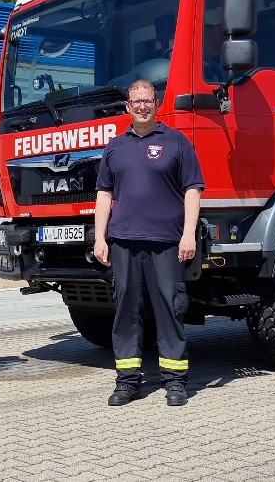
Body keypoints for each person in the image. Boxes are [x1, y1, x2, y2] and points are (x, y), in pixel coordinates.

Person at [94, 79, 204, 407]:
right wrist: (100, 237)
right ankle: (128, 382)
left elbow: (193, 190)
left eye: (147, 100)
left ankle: (174, 383)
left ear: (156, 103)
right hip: (124, 241)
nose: (142, 106)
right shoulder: (115, 147)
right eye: (136, 101)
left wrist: (188, 234)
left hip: (167, 242)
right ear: (127, 107)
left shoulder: (177, 142)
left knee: (170, 308)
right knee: (126, 309)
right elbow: (104, 194)